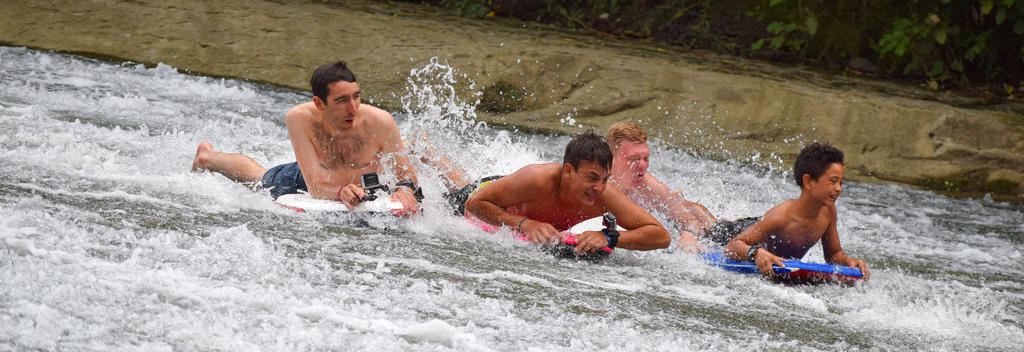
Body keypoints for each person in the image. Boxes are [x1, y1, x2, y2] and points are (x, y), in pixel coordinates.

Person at [191, 61, 420, 215]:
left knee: (416, 146)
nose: (353, 108)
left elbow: (405, 176)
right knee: (260, 180)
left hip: (363, 180)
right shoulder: (299, 117)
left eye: (356, 97)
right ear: (320, 104)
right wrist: (340, 192)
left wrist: (405, 192)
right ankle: (207, 158)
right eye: (341, 101)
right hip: (307, 180)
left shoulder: (380, 121)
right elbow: (316, 189)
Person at [463, 131, 671, 255]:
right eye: (591, 178)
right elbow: (473, 204)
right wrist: (525, 224)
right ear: (569, 171)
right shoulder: (539, 178)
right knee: (458, 184)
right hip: (485, 191)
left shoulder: (604, 195)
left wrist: (610, 238)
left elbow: (661, 236)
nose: (598, 187)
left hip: (508, 195)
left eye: (605, 179)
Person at [723, 142, 870, 279]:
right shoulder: (782, 216)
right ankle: (700, 211)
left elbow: (833, 254)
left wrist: (849, 261)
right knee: (712, 229)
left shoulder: (828, 212)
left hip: (758, 228)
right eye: (832, 181)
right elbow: (731, 246)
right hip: (741, 235)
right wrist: (755, 254)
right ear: (808, 181)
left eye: (841, 182)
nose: (839, 188)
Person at [605, 122, 717, 252]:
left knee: (710, 225)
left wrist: (689, 235)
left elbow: (691, 222)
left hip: (690, 213)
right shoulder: (596, 183)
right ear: (611, 158)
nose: (643, 166)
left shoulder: (648, 186)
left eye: (646, 158)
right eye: (634, 159)